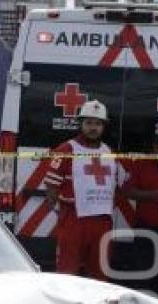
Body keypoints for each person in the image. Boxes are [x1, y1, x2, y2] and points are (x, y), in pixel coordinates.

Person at [43, 100, 121, 280]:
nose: (93, 128)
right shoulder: (67, 149)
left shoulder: (108, 151)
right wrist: (59, 211)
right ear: (81, 124)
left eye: (98, 124)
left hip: (102, 220)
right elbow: (52, 185)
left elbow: (114, 185)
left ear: (104, 126)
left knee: (100, 273)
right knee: (67, 270)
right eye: (89, 123)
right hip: (73, 218)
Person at [119, 130, 158, 302]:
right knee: (143, 278)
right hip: (145, 230)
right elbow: (127, 191)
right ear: (155, 147)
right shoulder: (141, 164)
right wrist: (155, 195)